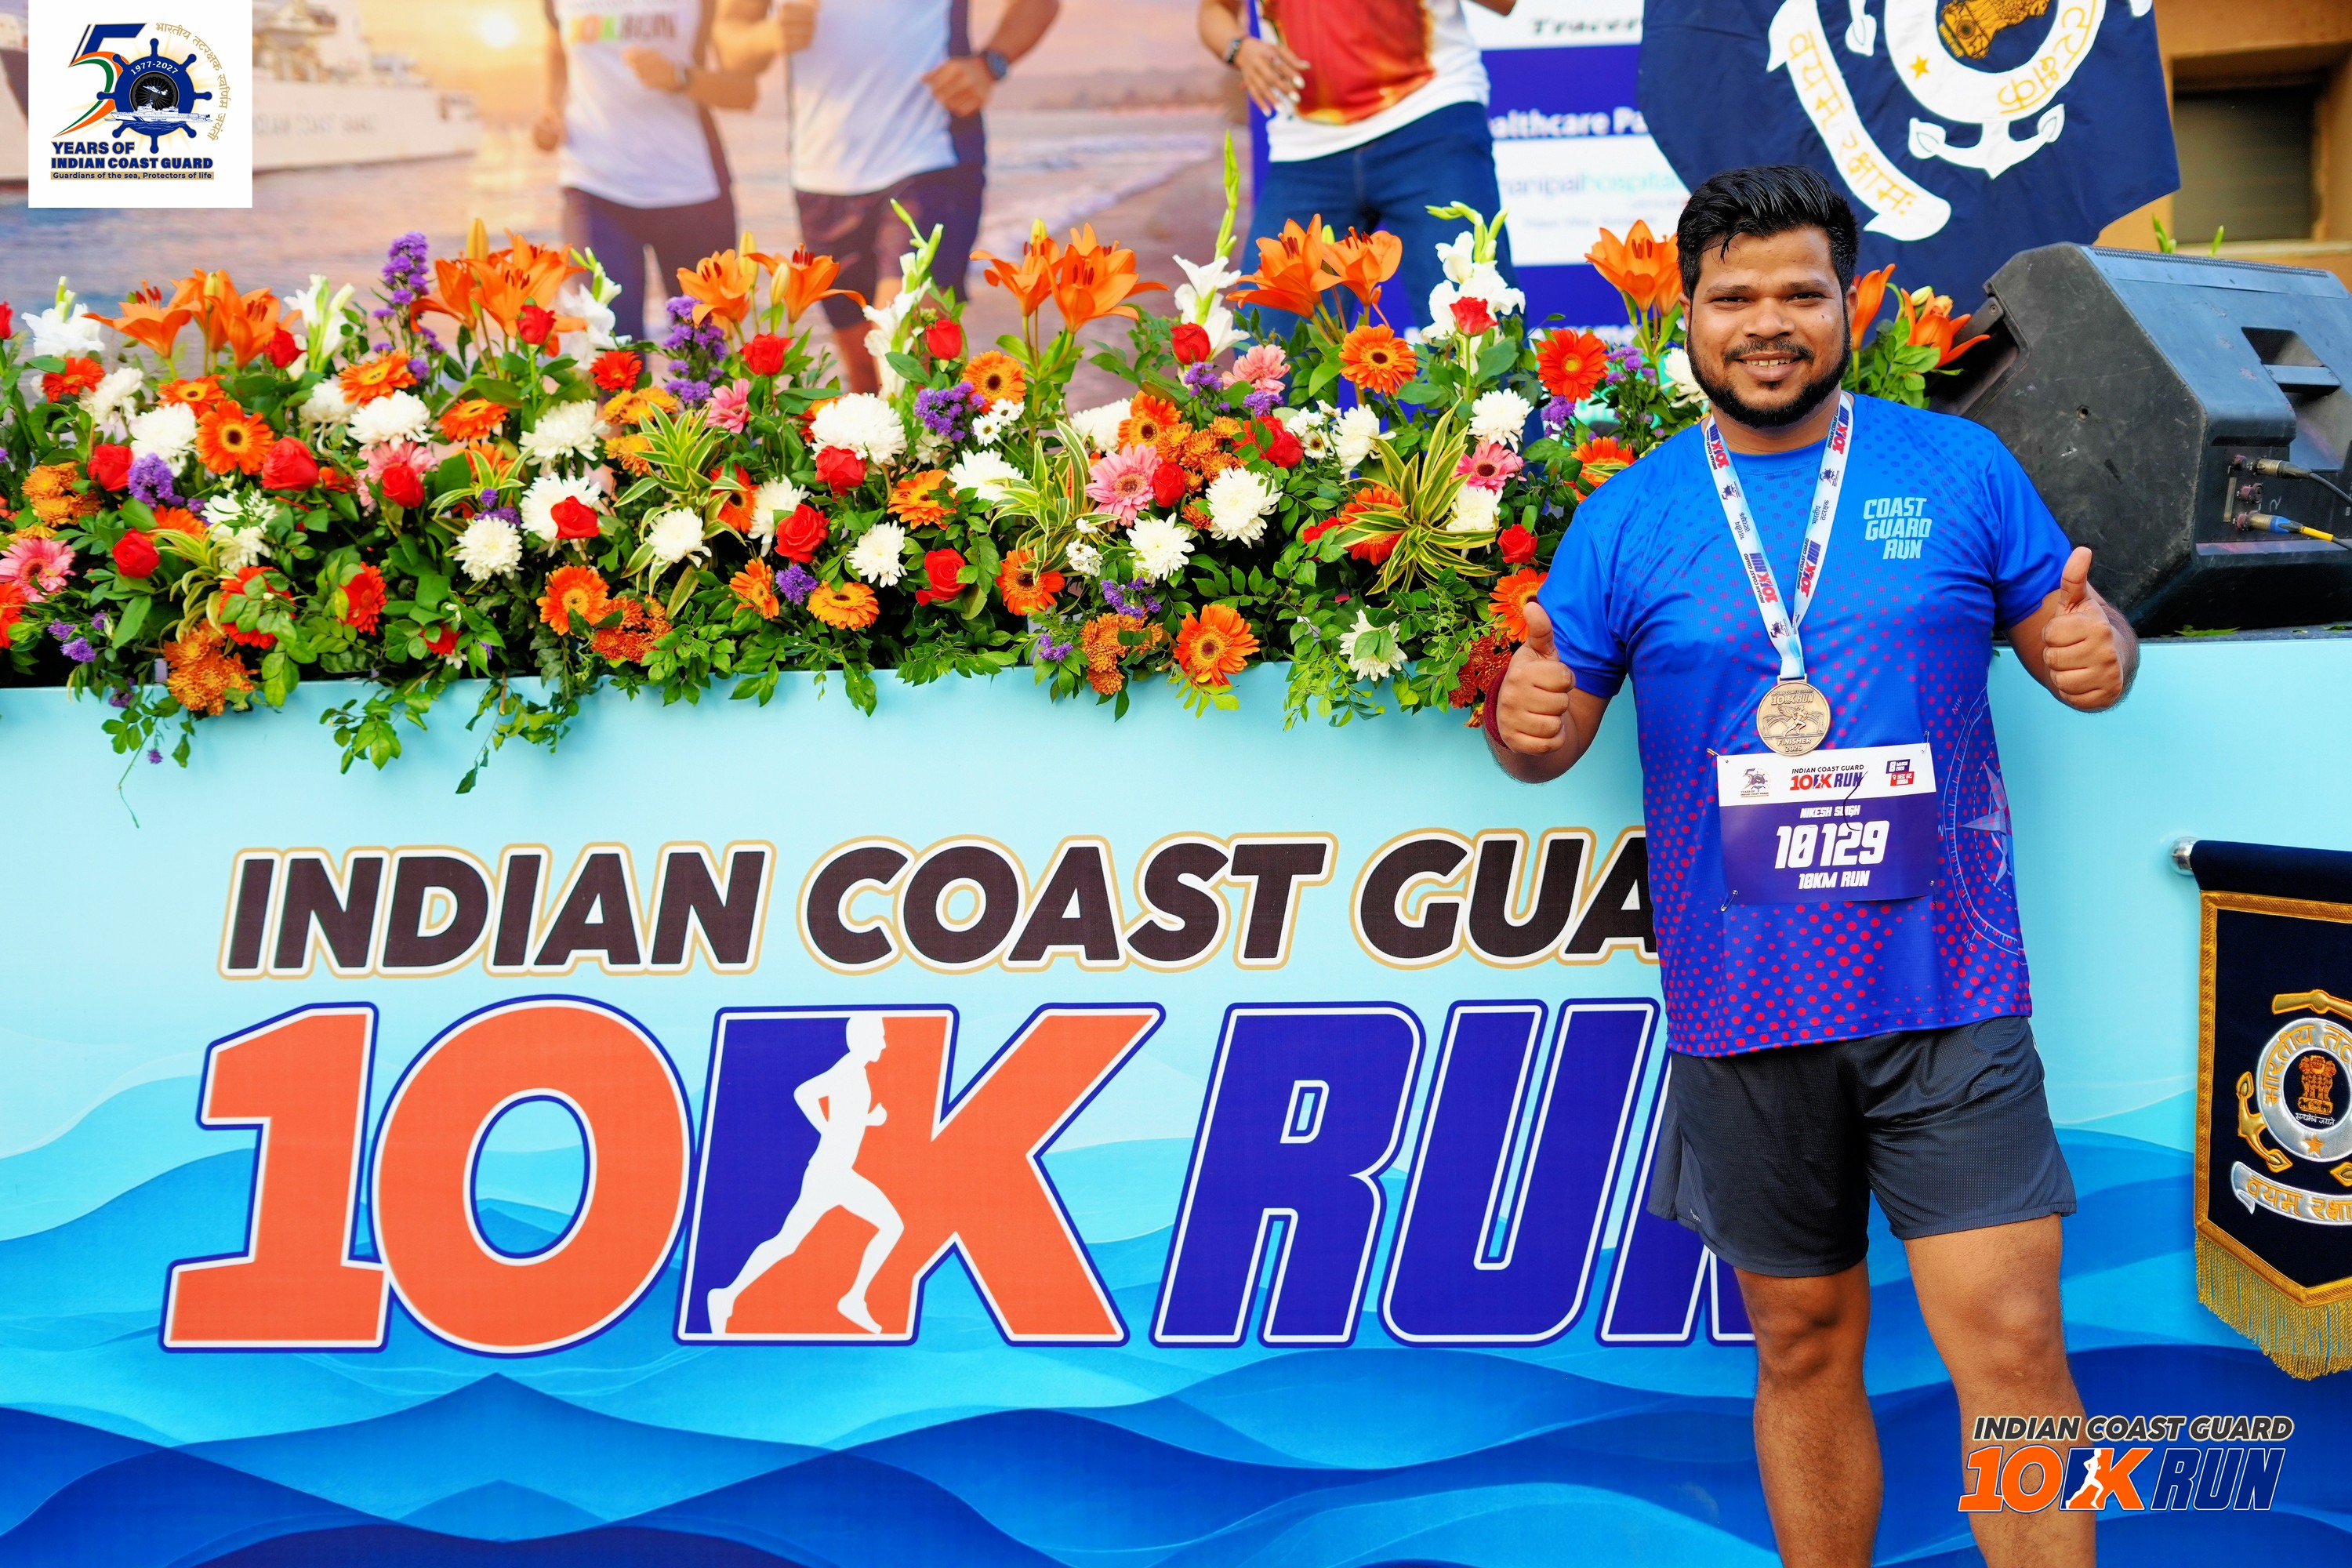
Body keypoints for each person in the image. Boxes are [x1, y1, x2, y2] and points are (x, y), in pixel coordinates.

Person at [1489, 165, 2132, 1567]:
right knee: (1800, 1341)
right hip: (1745, 1009)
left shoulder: (1958, 470)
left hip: (1950, 992)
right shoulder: (1630, 515)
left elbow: (2076, 639)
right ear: (1686, 317)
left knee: (2015, 1345)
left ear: (1853, 306)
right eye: (1735, 297)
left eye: (1800, 292)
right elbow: (1548, 730)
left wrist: (2102, 651)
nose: (1768, 322)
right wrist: (1524, 720)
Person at [715, 0, 1061, 393]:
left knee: (907, 370)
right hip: (821, 175)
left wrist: (990, 63)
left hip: (931, 157)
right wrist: (768, 35)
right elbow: (731, 43)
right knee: (865, 380)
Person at [1199, 0, 1516, 332]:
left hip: (1430, 117)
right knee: (1271, 349)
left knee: (1479, 336)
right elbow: (1214, 10)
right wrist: (1241, 49)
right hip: (1306, 145)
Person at [535, 0, 758, 342]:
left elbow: (744, 92)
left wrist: (681, 78)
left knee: (702, 355)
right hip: (593, 186)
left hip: (691, 190)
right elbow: (557, 46)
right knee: (612, 356)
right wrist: (551, 108)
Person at [708, 1014, 903, 1336]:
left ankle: (728, 1296)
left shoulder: (855, 1071)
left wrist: (869, 1120)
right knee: (888, 1226)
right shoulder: (847, 1070)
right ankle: (727, 1296)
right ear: (863, 1039)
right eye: (880, 1036)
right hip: (830, 1174)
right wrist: (824, 1129)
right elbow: (804, 1093)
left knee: (788, 1242)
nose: (884, 1043)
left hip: (835, 1173)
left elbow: (846, 1116)